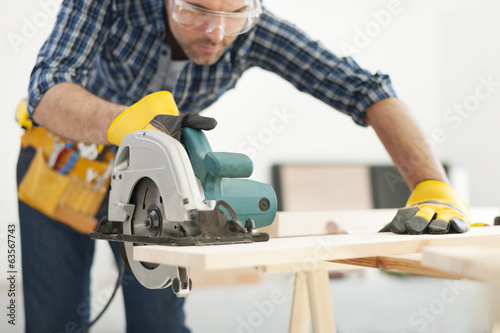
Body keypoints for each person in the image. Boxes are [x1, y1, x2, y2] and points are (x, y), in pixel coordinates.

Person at [17, 0, 471, 331]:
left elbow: (365, 90)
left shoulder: (255, 29)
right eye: (195, 10)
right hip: (62, 165)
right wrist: (122, 121)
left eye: (235, 14)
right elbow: (46, 87)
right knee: (55, 320)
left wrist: (431, 184)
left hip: (154, 182)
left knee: (160, 323)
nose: (216, 32)